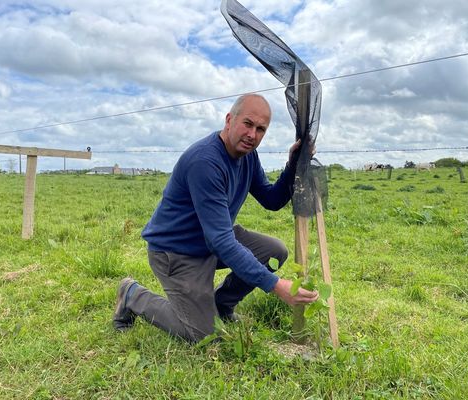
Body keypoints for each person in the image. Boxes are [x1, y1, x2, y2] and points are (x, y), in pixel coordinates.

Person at [113, 93, 318, 343]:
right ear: (229, 119)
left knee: (274, 251)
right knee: (201, 334)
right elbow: (221, 241)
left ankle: (221, 305)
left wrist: (291, 165)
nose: (253, 135)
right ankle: (132, 295)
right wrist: (275, 285)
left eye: (261, 129)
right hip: (176, 252)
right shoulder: (205, 162)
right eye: (248, 124)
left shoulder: (248, 156)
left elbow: (271, 200)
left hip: (210, 241)